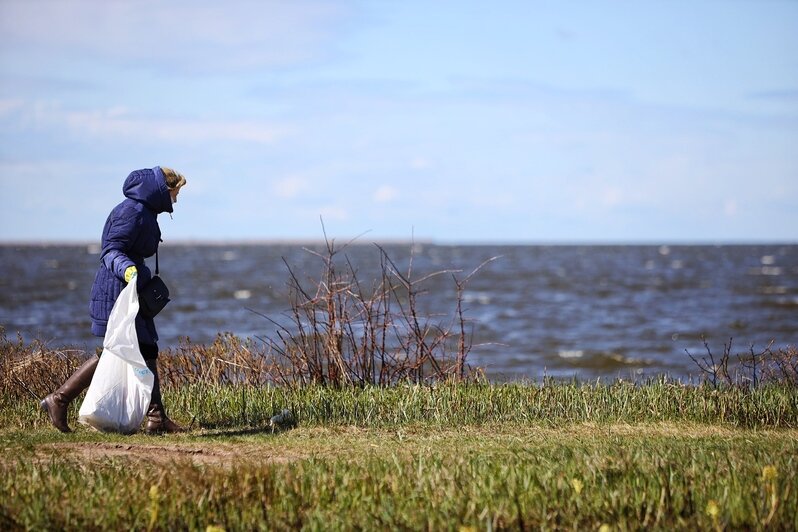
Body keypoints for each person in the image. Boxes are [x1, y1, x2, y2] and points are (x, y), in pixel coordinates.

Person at [41, 166, 187, 434]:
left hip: (132, 290)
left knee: (146, 349)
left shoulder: (145, 212)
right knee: (115, 351)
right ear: (164, 190)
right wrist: (128, 270)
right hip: (117, 291)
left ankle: (157, 419)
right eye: (176, 192)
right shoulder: (130, 212)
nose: (176, 199)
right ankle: (59, 399)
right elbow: (110, 251)